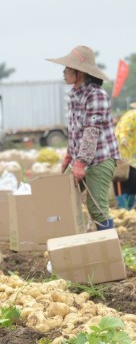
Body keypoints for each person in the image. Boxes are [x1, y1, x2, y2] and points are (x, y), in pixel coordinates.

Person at [48, 45, 120, 230]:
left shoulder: (96, 95)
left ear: (79, 72)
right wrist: (69, 156)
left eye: (67, 68)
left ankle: (108, 246)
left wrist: (79, 164)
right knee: (63, 199)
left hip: (100, 158)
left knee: (97, 209)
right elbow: (75, 132)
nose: (64, 71)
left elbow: (91, 132)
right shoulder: (76, 95)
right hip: (81, 158)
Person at [113, 102, 136, 209]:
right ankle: (124, 208)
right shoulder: (132, 115)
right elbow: (123, 129)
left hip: (130, 153)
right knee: (125, 178)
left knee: (132, 180)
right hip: (124, 152)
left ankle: (128, 206)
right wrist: (123, 139)